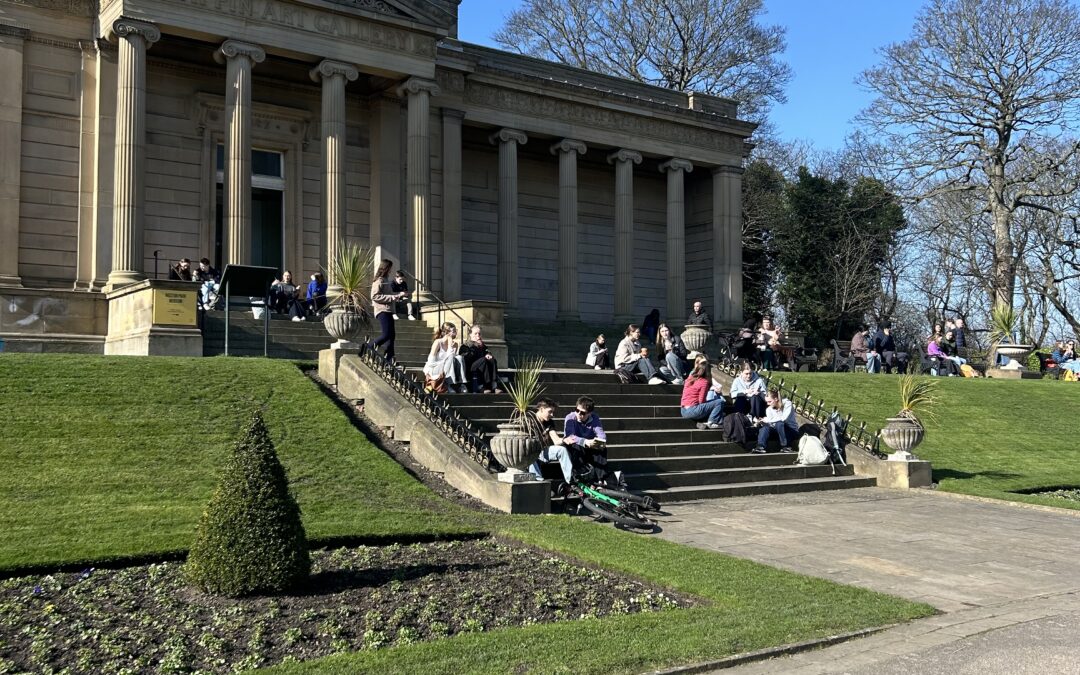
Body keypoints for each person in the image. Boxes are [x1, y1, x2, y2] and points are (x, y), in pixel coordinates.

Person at [527, 397, 577, 487]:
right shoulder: (528, 419)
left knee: (562, 450)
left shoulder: (549, 422)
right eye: (550, 412)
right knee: (529, 452)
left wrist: (564, 440)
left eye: (553, 412)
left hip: (542, 451)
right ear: (541, 409)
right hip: (529, 452)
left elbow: (556, 440)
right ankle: (539, 482)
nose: (552, 415)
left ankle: (571, 482)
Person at [370, 259, 406, 362]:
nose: (391, 270)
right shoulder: (379, 280)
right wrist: (393, 297)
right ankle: (368, 347)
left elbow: (389, 295)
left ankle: (389, 359)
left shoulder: (386, 280)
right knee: (386, 335)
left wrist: (399, 295)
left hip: (388, 310)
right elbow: (375, 296)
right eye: (390, 268)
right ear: (385, 268)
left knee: (391, 336)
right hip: (382, 310)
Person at [562, 396, 608, 469]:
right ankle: (580, 473)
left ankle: (602, 477)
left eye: (583, 413)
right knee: (574, 445)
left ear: (589, 413)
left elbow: (601, 435)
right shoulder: (570, 417)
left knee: (602, 448)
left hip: (589, 446)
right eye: (577, 410)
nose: (579, 414)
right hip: (576, 445)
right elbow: (570, 436)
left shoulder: (594, 417)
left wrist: (597, 442)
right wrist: (585, 442)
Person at [680, 359, 725, 430]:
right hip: (693, 410)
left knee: (711, 405)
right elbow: (701, 401)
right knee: (719, 402)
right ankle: (712, 422)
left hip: (683, 410)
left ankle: (705, 422)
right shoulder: (704, 382)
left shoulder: (689, 378)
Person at [751, 388, 798, 454]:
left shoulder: (787, 404)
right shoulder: (768, 409)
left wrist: (768, 420)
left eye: (769, 401)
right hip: (778, 432)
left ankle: (786, 446)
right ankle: (760, 446)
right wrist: (762, 422)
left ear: (776, 399)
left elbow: (784, 419)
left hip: (791, 431)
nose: (767, 404)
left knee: (779, 424)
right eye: (766, 402)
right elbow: (771, 424)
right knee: (765, 428)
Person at [423, 322, 466, 393]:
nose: (456, 333)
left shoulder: (455, 344)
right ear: (447, 333)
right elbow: (431, 362)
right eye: (454, 331)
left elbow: (452, 362)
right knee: (451, 357)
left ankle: (461, 384)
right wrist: (449, 346)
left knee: (459, 358)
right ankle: (448, 385)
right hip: (434, 369)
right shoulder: (438, 342)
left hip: (446, 369)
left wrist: (451, 346)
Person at [459, 325, 502, 393]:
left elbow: (487, 352)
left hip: (483, 365)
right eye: (475, 333)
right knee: (483, 360)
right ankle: (480, 386)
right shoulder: (466, 345)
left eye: (479, 333)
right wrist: (476, 347)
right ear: (470, 334)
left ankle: (494, 385)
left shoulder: (482, 345)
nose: (478, 335)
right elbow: (467, 359)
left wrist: (488, 354)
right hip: (471, 367)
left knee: (492, 359)